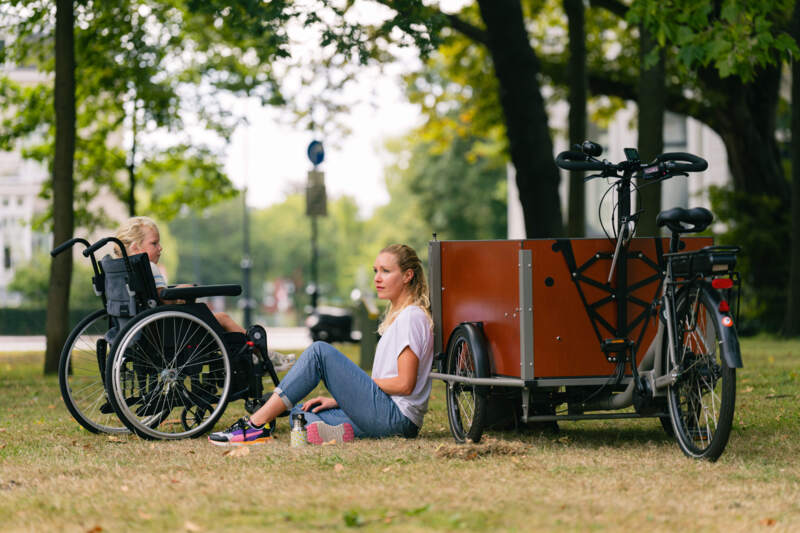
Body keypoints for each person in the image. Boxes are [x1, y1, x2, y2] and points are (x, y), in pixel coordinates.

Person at [208, 243, 434, 446]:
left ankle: (255, 425)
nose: (377, 278)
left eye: (386, 271)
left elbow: (405, 384)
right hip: (383, 414)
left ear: (407, 275)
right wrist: (339, 400)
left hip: (396, 418)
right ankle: (334, 432)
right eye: (376, 271)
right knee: (300, 413)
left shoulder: (411, 317)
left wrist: (354, 388)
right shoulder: (401, 317)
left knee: (319, 352)